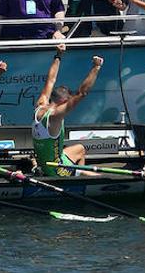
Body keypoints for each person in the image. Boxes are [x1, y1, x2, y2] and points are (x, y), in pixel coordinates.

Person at [32, 45, 103, 177]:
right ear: (64, 102)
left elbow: (50, 80)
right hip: (56, 170)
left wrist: (58, 55)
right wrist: (96, 68)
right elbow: (82, 93)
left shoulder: (40, 105)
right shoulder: (55, 115)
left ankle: (78, 177)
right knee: (96, 175)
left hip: (46, 162)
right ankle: (81, 176)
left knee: (80, 149)